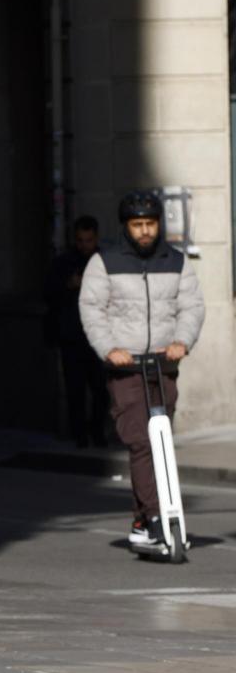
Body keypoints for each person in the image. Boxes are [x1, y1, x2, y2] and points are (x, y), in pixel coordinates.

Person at [79, 191, 205, 548]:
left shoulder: (176, 261)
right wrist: (109, 349)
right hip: (126, 367)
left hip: (164, 365)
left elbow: (192, 306)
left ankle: (144, 517)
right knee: (141, 441)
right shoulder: (105, 262)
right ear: (126, 227)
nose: (145, 231)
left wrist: (182, 341)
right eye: (138, 225)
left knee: (160, 442)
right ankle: (153, 518)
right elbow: (92, 308)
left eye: (150, 224)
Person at [44, 215, 108, 448]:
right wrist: (68, 285)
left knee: (101, 389)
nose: (84, 245)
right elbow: (50, 294)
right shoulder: (64, 263)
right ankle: (80, 434)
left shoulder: (103, 261)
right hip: (72, 335)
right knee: (75, 390)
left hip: (99, 337)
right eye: (80, 240)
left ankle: (97, 431)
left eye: (88, 240)